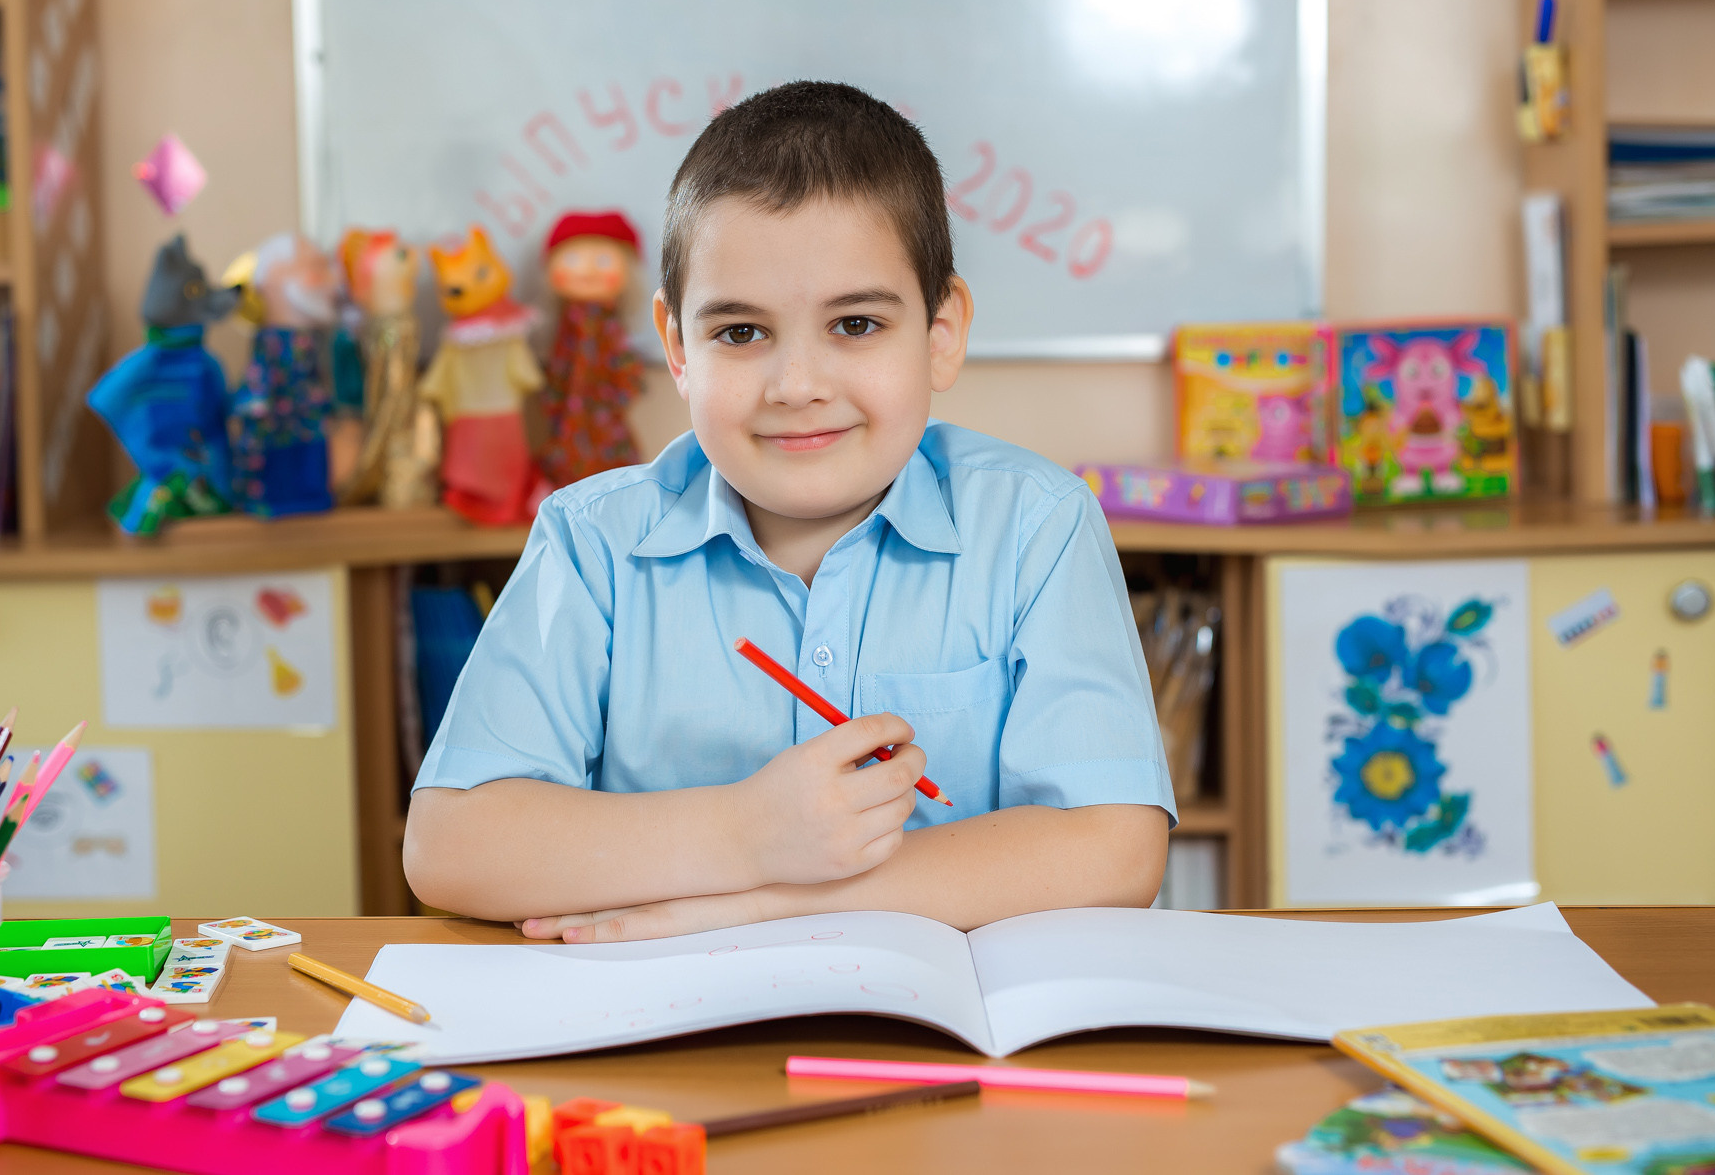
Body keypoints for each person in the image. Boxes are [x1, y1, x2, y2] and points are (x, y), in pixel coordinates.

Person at [405, 81, 1173, 942]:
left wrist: (778, 901)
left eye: (856, 324)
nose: (797, 385)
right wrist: (749, 831)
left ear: (941, 332)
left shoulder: (1038, 525)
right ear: (678, 347)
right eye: (740, 333)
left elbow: (1116, 849)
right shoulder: (591, 542)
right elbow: (449, 845)